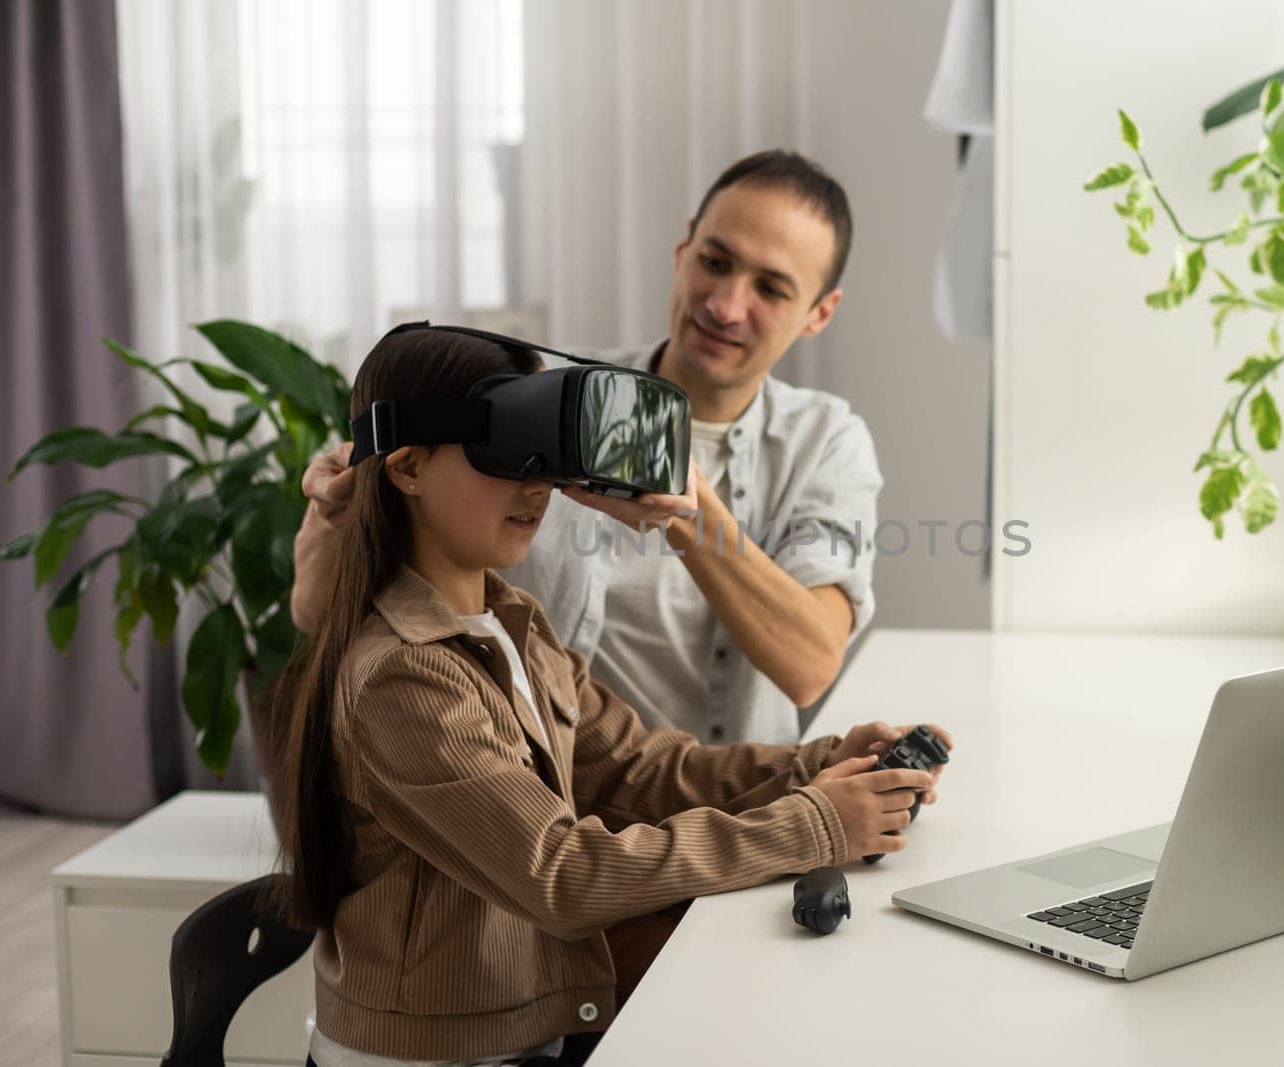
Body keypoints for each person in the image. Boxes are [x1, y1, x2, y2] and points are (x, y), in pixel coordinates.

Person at [273, 325, 949, 1067]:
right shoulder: (403, 677)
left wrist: (812, 766)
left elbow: (640, 770)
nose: (537, 486)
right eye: (508, 451)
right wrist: (814, 825)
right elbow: (562, 873)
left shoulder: (512, 625)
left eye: (547, 458)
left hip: (531, 1035)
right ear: (406, 467)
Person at [292, 149, 882, 746]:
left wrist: (691, 515)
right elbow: (316, 612)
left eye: (772, 288)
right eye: (714, 261)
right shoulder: (541, 396)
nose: (726, 305)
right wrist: (337, 508)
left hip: (726, 803)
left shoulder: (827, 443)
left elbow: (810, 667)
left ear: (819, 313)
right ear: (683, 252)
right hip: (540, 795)